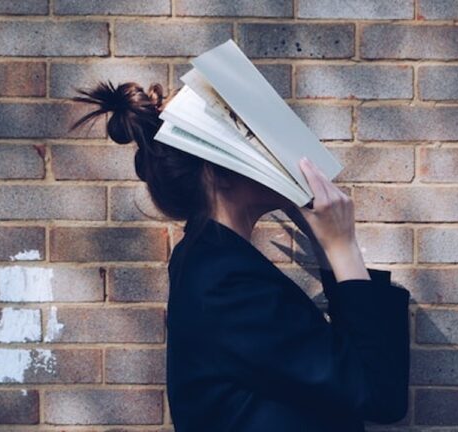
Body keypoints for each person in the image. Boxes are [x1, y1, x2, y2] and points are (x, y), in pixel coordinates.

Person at [70, 81, 411, 431]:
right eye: (255, 145)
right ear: (217, 172)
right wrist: (344, 247)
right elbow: (378, 391)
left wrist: (323, 239)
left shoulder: (213, 263)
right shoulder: (225, 283)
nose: (277, 155)